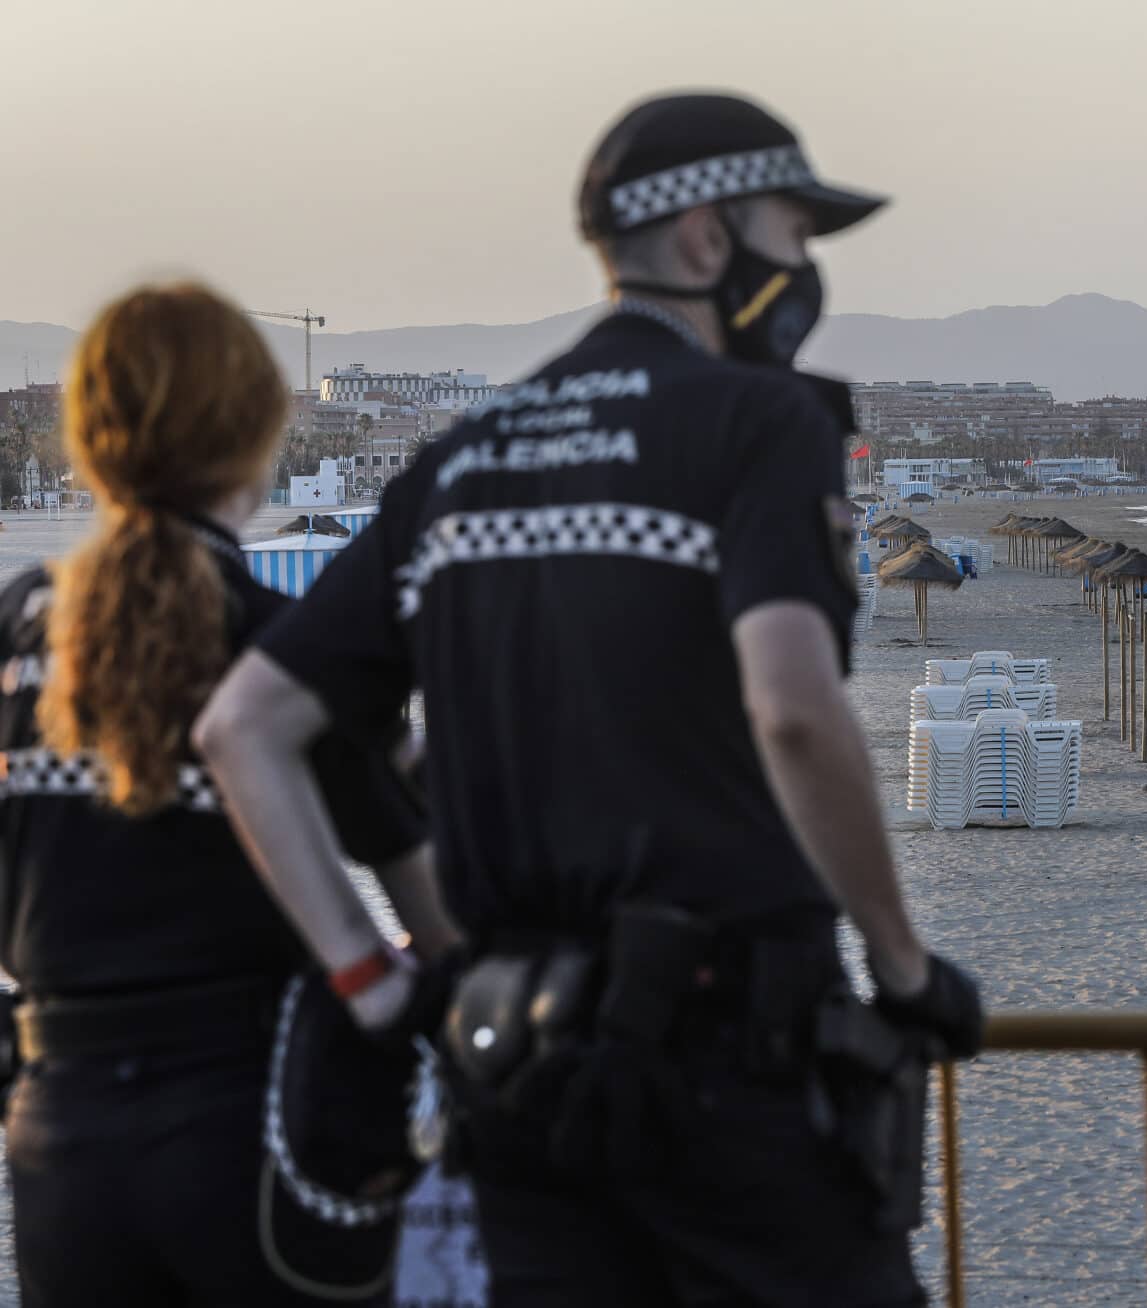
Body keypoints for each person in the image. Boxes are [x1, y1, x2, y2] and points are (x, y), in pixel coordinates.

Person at [195, 92, 984, 1306]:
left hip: (517, 1079)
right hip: (736, 1067)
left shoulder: (463, 458)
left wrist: (370, 978)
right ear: (709, 239)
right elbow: (790, 707)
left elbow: (244, 726)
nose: (806, 267)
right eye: (793, 233)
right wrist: (902, 963)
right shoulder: (758, 421)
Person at [0, 283, 458, 1306]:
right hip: (251, 1131)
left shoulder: (22, 629)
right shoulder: (280, 648)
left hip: (57, 1142)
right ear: (257, 435)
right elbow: (423, 901)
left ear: (86, 437)